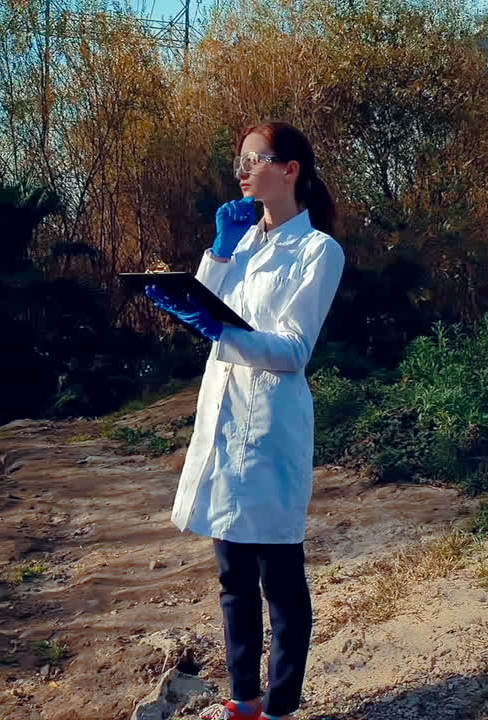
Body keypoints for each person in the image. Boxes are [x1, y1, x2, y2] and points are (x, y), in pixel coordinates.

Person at [144, 121, 344, 720]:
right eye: (240, 160)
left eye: (254, 159)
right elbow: (208, 303)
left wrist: (221, 331)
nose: (242, 170)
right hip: (225, 416)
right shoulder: (245, 239)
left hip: (271, 426)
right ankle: (245, 700)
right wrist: (218, 253)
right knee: (232, 575)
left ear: (290, 170)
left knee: (278, 577)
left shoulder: (318, 250)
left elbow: (291, 349)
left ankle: (281, 707)